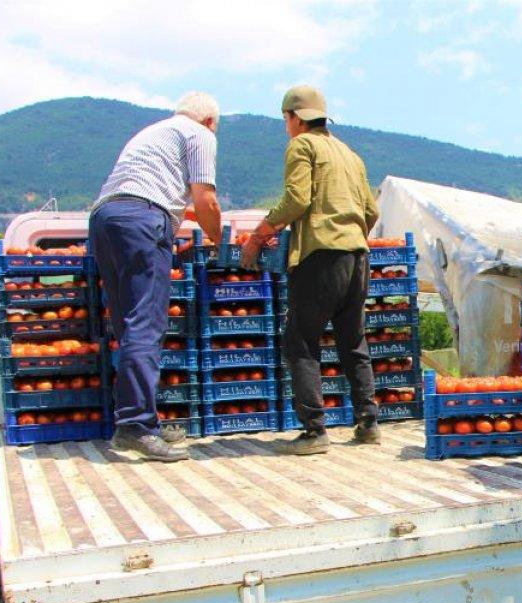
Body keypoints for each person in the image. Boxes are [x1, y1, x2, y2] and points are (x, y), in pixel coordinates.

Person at [241, 85, 381, 455]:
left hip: (320, 256)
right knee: (353, 340)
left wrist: (259, 235)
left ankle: (314, 431)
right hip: (358, 258)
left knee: (301, 341)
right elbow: (372, 212)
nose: (286, 126)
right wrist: (351, 234)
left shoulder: (302, 145)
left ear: (295, 117)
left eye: (286, 119)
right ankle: (368, 423)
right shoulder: (350, 154)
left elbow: (297, 199)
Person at [90, 91, 222, 462]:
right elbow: (205, 199)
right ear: (210, 121)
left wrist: (189, 217)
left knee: (128, 326)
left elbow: (170, 199)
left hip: (106, 218)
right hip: (143, 222)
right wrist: (217, 238)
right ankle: (134, 425)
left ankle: (140, 421)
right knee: (146, 325)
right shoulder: (201, 135)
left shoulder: (157, 132)